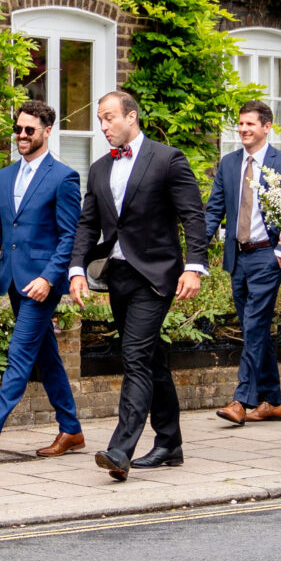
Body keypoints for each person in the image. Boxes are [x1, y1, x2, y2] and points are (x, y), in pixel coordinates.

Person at [67, 90, 209, 477]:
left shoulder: (167, 159)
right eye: (99, 119)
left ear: (131, 117)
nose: (103, 126)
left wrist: (194, 267)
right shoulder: (99, 168)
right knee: (149, 359)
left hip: (156, 276)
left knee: (133, 355)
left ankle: (120, 449)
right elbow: (87, 224)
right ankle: (170, 443)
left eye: (109, 117)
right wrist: (77, 270)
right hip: (119, 277)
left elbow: (192, 217)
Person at [0, 100, 85, 459]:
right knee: (47, 356)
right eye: (18, 128)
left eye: (30, 130)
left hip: (42, 285)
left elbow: (68, 236)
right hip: (12, 279)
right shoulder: (4, 176)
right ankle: (71, 430)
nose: (22, 135)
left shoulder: (64, 177)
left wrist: (50, 278)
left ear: (46, 132)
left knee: (20, 351)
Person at [202, 99, 281, 427]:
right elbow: (214, 210)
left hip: (267, 255)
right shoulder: (229, 163)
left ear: (266, 127)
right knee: (253, 328)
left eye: (250, 124)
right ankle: (272, 401)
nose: (244, 129)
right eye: (241, 124)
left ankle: (242, 399)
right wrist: (195, 252)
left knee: (256, 323)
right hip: (238, 256)